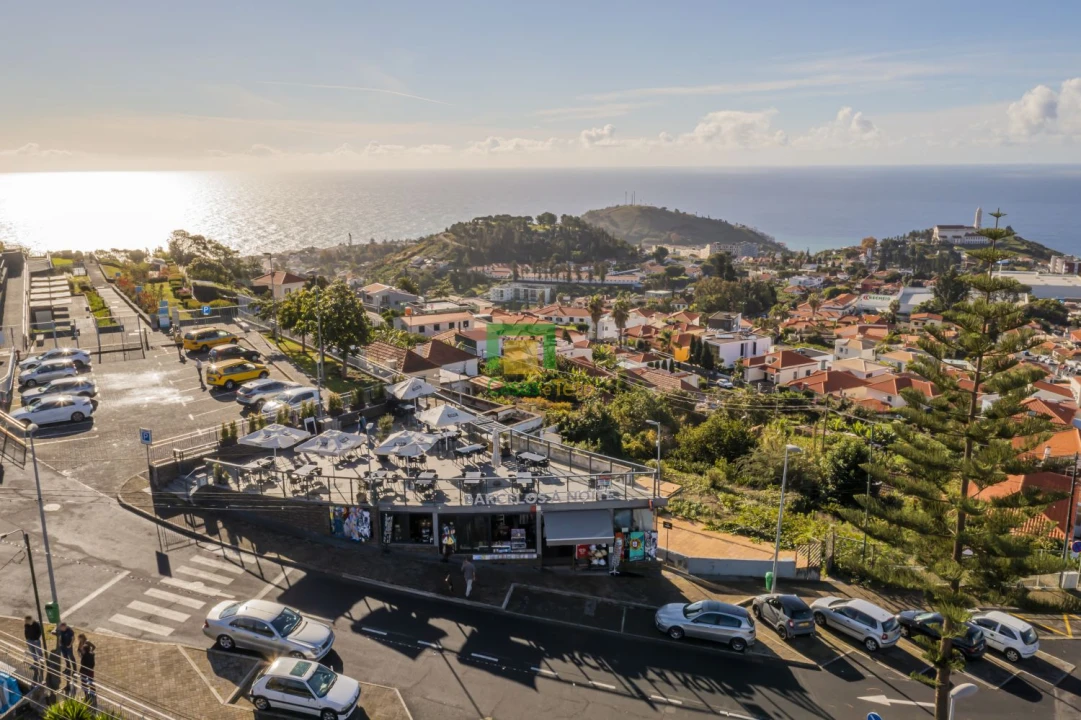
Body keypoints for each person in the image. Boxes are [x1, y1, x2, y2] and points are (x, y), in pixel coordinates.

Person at [77, 634, 96, 703]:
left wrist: (80, 671)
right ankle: (93, 693)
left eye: (83, 650)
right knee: (91, 681)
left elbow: (82, 664)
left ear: (84, 650)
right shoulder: (92, 654)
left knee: (84, 683)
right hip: (90, 670)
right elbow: (93, 663)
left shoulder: (84, 657)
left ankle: (87, 696)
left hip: (85, 671)